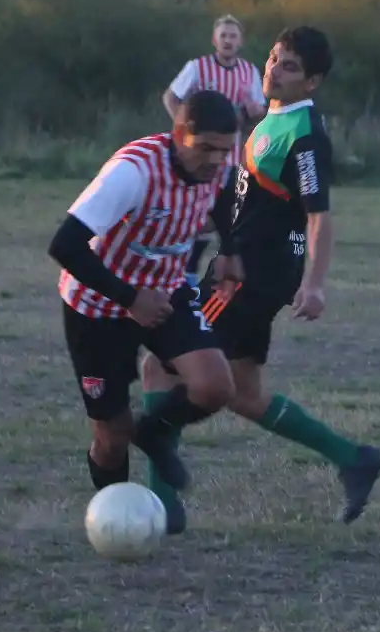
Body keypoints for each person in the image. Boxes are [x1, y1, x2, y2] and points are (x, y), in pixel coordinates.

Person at [142, 26, 380, 534]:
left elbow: (318, 215)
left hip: (251, 276)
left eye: (289, 66)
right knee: (244, 392)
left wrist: (314, 284)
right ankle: (353, 458)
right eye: (273, 58)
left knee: (162, 366)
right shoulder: (271, 118)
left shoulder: (304, 135)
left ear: (312, 81)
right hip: (252, 269)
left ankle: (160, 501)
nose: (273, 69)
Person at [48, 90, 241, 532]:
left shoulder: (217, 163)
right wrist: (130, 298)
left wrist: (229, 250)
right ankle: (116, 521)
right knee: (111, 437)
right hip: (97, 307)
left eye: (224, 150)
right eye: (205, 148)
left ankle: (153, 432)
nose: (216, 160)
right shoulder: (132, 172)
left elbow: (224, 195)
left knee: (214, 387)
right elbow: (65, 245)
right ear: (179, 134)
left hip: (166, 291)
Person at [163, 15, 268, 276]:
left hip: (231, 159)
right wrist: (184, 129)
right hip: (199, 157)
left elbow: (259, 110)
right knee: (198, 213)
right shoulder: (197, 68)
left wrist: (256, 112)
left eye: (233, 36)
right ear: (214, 40)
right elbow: (171, 97)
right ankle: (185, 270)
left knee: (228, 216)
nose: (228, 41)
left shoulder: (249, 72)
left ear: (240, 41)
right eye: (223, 36)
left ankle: (218, 274)